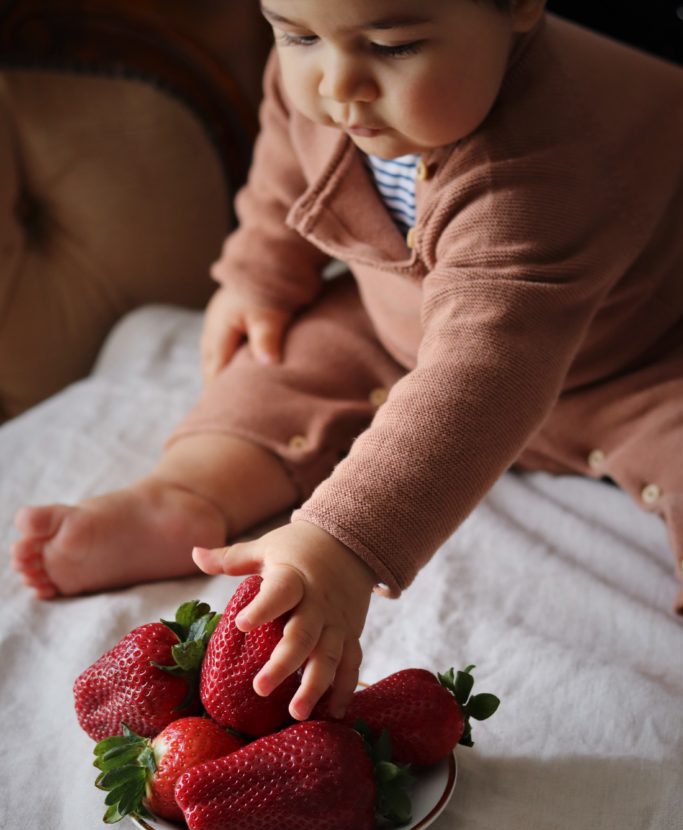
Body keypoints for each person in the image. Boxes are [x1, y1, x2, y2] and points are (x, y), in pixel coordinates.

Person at [11, 0, 683, 721]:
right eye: (296, 34)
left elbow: (483, 372)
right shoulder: (321, 79)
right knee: (285, 358)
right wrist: (259, 275)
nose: (336, 84)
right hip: (404, 322)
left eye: (392, 46)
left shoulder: (546, 160)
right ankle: (185, 495)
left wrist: (343, 542)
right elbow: (288, 167)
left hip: (639, 358)